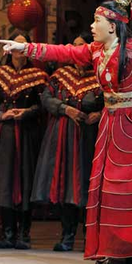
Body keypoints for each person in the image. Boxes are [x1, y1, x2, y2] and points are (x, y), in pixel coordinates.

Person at [0, 0, 132, 264]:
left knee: (127, 190)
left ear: (113, 24)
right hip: (111, 122)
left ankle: (124, 252)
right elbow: (64, 51)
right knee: (106, 188)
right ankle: (115, 251)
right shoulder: (96, 50)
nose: (92, 27)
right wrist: (25, 48)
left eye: (96, 21)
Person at [31, 32, 103, 252]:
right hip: (63, 134)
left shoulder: (99, 75)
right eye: (76, 46)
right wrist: (65, 108)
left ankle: (92, 237)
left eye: (83, 47)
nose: (79, 50)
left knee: (86, 183)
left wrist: (100, 113)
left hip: (89, 136)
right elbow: (46, 98)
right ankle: (67, 235)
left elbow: (114, 100)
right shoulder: (60, 75)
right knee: (66, 183)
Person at [0, 32, 48, 250]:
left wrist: (27, 112)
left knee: (25, 179)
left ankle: (23, 233)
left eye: (23, 45)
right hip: (4, 133)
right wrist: (0, 114)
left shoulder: (37, 76)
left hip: (27, 133)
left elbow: (44, 105)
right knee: (4, 181)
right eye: (16, 45)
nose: (19, 49)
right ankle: (7, 232)